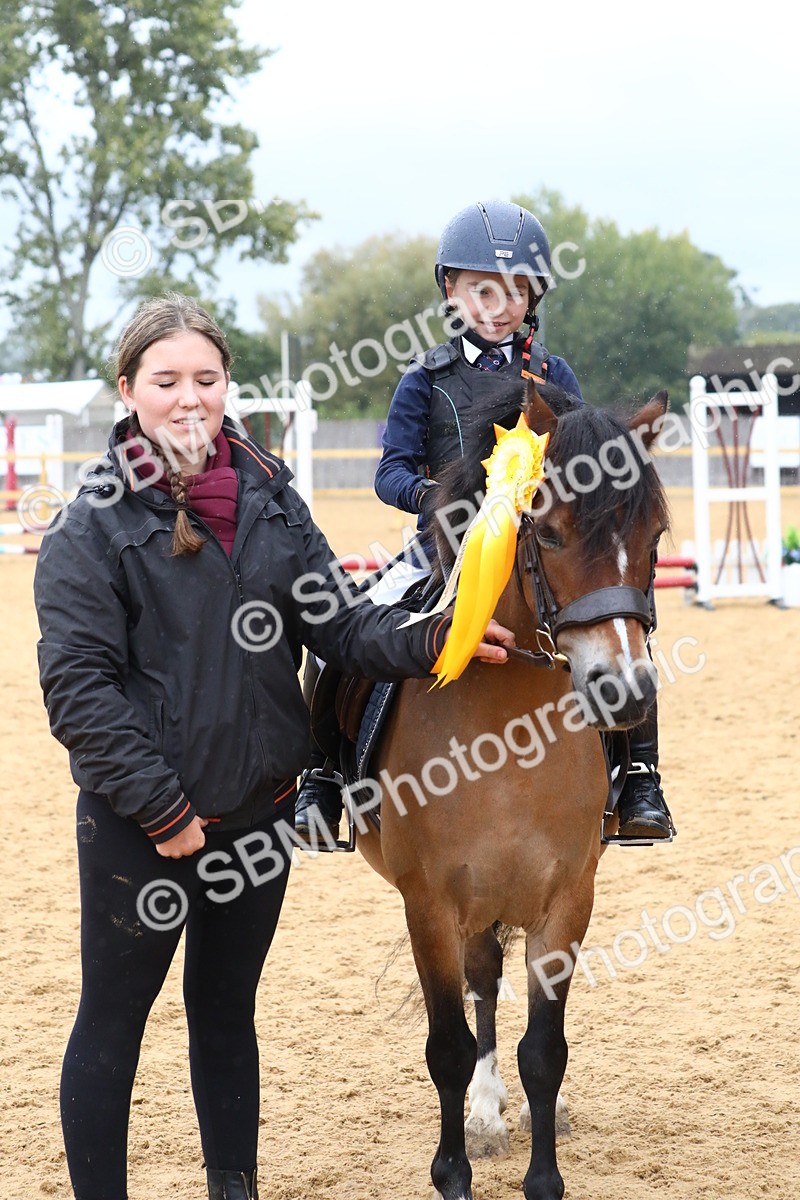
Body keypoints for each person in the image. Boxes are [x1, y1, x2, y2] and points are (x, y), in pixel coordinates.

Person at [33, 293, 515, 1200]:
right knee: (113, 1023)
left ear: (227, 387)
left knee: (225, 1016)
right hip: (144, 830)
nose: (190, 398)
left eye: (206, 379)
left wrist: (438, 637)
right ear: (128, 390)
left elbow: (340, 622)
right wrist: (164, 809)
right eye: (167, 380)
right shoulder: (90, 527)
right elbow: (80, 692)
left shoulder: (269, 499)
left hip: (259, 819)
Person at [295, 200, 672, 846]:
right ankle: (322, 781)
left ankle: (640, 777)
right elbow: (389, 473)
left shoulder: (555, 377)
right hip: (440, 553)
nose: (499, 305)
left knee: (622, 625)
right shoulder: (424, 380)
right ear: (452, 290)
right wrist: (440, 499)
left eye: (515, 291)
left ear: (533, 297)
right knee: (343, 632)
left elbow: (587, 469)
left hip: (537, 549)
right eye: (482, 290)